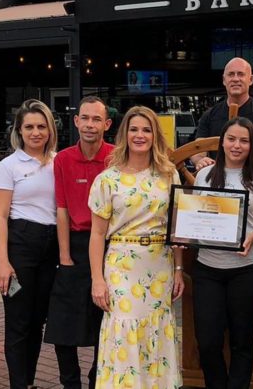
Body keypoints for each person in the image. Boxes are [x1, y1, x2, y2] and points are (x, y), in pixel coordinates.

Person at [88, 106, 184, 389]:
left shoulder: (169, 175)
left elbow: (177, 227)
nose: (139, 135)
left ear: (155, 135)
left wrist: (179, 269)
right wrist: (97, 279)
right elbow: (97, 234)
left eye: (146, 130)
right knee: (124, 329)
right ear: (124, 134)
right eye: (133, 129)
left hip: (160, 265)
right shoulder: (107, 179)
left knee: (156, 330)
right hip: (121, 265)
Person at [193, 117, 253, 389]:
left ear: (252, 145)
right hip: (208, 269)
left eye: (244, 141)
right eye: (231, 139)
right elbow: (193, 216)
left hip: (249, 269)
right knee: (208, 341)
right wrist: (183, 233)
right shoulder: (204, 175)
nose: (237, 145)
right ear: (222, 142)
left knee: (242, 338)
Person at [43, 96, 113, 389]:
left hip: (110, 246)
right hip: (73, 243)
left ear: (107, 124)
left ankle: (98, 378)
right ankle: (70, 383)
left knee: (105, 320)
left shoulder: (116, 157)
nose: (90, 125)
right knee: (62, 323)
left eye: (96, 119)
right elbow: (61, 208)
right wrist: (64, 255)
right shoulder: (63, 158)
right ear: (76, 121)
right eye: (85, 118)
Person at [0, 99, 59, 389]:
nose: (35, 132)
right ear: (19, 130)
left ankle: (29, 382)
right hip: (20, 244)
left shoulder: (59, 161)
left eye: (41, 126)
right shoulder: (8, 166)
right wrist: (3, 261)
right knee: (18, 321)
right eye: (29, 127)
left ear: (50, 129)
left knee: (37, 321)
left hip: (52, 246)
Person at [191, 57, 253, 170]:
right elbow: (197, 148)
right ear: (224, 80)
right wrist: (200, 160)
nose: (235, 79)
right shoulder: (209, 115)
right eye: (231, 74)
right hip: (218, 178)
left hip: (252, 176)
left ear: (251, 79)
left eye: (241, 74)